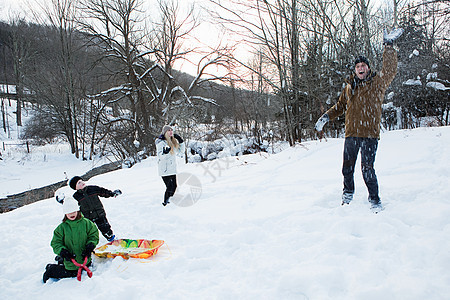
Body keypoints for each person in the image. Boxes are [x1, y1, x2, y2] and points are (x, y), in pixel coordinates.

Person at [315, 30, 402, 213]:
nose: (361, 68)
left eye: (363, 65)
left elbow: (390, 70)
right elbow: (339, 107)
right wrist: (325, 118)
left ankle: (375, 200)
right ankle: (347, 194)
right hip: (351, 135)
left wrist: (388, 47)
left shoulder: (377, 83)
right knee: (347, 168)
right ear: (355, 69)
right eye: (358, 66)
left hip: (369, 135)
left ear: (368, 68)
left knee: (367, 170)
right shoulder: (349, 87)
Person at [43, 195, 99, 283]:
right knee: (73, 272)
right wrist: (63, 252)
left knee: (85, 268)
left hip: (85, 259)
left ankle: (60, 259)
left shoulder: (87, 223)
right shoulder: (61, 228)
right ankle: (51, 269)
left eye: (73, 211)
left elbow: (93, 235)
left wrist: (90, 245)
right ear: (65, 213)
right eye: (69, 212)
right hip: (70, 261)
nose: (71, 214)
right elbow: (56, 243)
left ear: (77, 210)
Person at [68, 176, 121, 241]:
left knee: (105, 228)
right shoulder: (76, 196)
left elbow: (103, 191)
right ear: (75, 188)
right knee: (89, 231)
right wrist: (62, 201)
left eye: (82, 181)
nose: (82, 183)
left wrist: (112, 193)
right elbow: (70, 204)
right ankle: (89, 243)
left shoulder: (92, 189)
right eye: (79, 183)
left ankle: (111, 238)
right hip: (88, 217)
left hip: (99, 213)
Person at [156, 125, 185, 206]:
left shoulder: (173, 141)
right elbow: (160, 157)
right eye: (168, 130)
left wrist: (181, 141)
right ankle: (165, 202)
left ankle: (170, 201)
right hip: (164, 169)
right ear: (165, 132)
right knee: (169, 187)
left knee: (174, 186)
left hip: (172, 168)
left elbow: (181, 151)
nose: (171, 131)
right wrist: (165, 153)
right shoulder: (160, 142)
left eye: (171, 130)